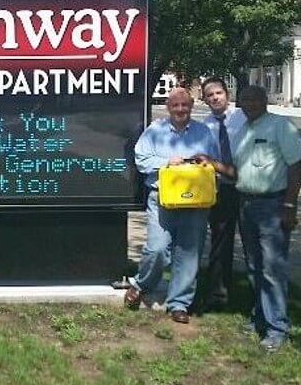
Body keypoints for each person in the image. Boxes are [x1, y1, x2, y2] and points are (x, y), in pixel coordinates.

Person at [124, 87, 234, 323]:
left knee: (188, 252)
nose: (180, 110)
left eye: (185, 105)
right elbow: (140, 159)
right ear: (168, 107)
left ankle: (179, 303)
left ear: (191, 106)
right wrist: (166, 162)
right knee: (157, 248)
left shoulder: (203, 133)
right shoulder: (155, 132)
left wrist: (205, 163)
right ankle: (141, 284)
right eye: (176, 105)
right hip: (162, 198)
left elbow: (214, 163)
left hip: (195, 201)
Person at [233, 86, 301, 351]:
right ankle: (259, 318)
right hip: (246, 204)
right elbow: (239, 171)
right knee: (254, 265)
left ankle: (277, 329)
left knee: (272, 269)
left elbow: (296, 166)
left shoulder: (280, 126)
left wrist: (289, 205)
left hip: (273, 205)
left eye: (253, 98)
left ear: (265, 101)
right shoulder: (243, 131)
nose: (248, 103)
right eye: (244, 99)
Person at [200, 77, 246, 311]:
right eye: (210, 95)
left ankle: (259, 297)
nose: (215, 97)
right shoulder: (204, 126)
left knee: (253, 244)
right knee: (220, 242)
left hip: (248, 186)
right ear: (205, 99)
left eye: (219, 92)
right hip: (221, 188)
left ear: (227, 94)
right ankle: (218, 296)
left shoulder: (243, 116)